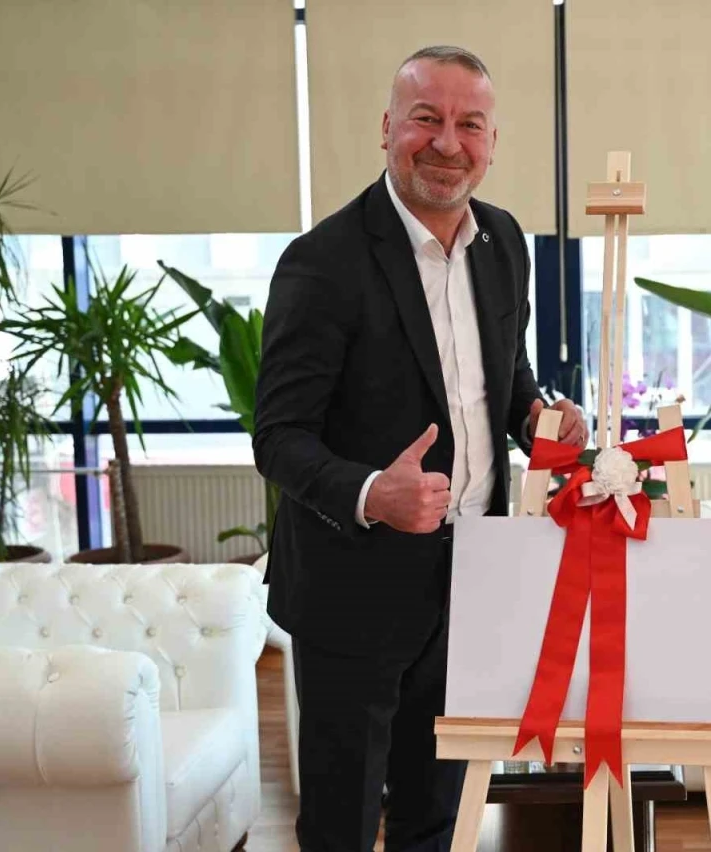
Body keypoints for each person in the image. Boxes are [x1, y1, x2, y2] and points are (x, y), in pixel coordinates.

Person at [253, 45, 587, 852]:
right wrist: (373, 491)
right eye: (426, 119)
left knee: (437, 813)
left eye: (469, 124)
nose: (446, 143)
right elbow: (279, 437)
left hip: (472, 578)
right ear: (387, 128)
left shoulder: (504, 240)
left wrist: (539, 419)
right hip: (351, 591)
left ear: (492, 141)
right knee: (340, 820)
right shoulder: (322, 262)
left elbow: (504, 377)